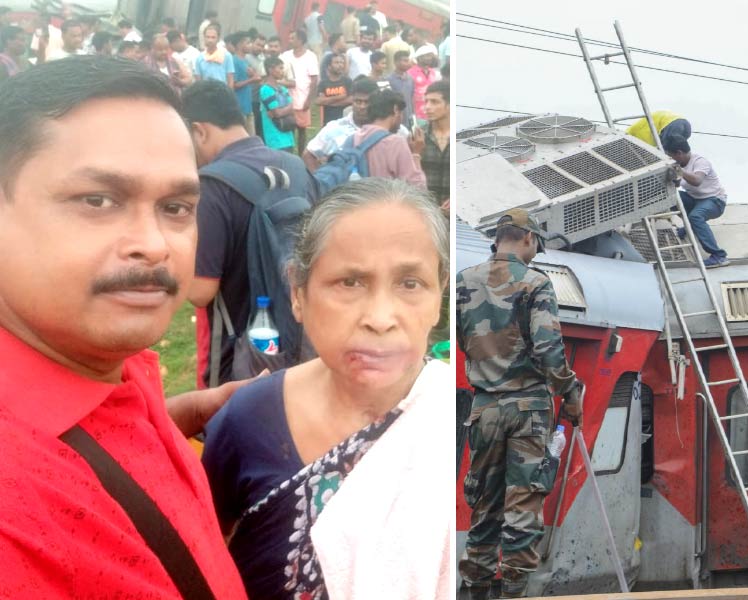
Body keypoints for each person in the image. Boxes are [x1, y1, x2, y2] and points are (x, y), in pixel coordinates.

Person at [0, 54, 248, 599]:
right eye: (98, 200)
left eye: (177, 207)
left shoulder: (109, 365)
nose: (155, 243)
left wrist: (160, 428)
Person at [202, 178, 452, 600]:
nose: (380, 317)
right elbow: (204, 559)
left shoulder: (456, 420)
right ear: (298, 291)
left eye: (410, 284)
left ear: (439, 297)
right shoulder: (248, 421)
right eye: (350, 283)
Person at [457, 209, 583, 600]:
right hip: (528, 408)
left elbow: (463, 341)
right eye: (536, 245)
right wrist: (570, 392)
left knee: (485, 508)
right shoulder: (535, 283)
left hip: (483, 409)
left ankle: (474, 591)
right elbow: (548, 349)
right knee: (523, 510)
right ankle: (513, 594)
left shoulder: (463, 280)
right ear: (528, 238)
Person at [184, 80, 314, 385]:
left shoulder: (212, 185)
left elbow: (200, 292)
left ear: (199, 130)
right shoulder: (295, 167)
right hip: (303, 336)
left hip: (239, 351)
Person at [664, 134, 729, 268]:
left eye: (671, 156)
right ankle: (691, 227)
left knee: (696, 216)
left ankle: (719, 256)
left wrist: (679, 171)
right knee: (670, 198)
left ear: (679, 153)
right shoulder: (678, 164)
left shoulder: (700, 162)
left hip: (715, 201)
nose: (670, 159)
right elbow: (677, 185)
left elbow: (696, 181)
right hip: (695, 199)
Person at [302, 77, 378, 172]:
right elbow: (309, 154)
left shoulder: (387, 129)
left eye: (367, 102)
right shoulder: (335, 129)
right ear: (352, 101)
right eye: (358, 102)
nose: (362, 107)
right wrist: (319, 182)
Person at [353, 90, 425, 187]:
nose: (401, 119)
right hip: (385, 200)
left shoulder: (353, 138)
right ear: (395, 110)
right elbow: (418, 188)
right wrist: (416, 154)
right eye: (401, 113)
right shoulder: (396, 142)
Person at [412, 80, 450, 210]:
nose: (427, 107)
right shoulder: (418, 136)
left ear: (449, 105)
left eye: (434, 102)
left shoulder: (461, 138)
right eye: (426, 101)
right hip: (426, 212)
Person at [279, 28, 318, 153]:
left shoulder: (310, 56)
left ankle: (301, 154)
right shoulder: (285, 56)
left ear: (300, 40)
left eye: (293, 38)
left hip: (302, 99)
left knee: (302, 129)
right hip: (287, 99)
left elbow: (314, 79)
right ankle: (289, 152)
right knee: (288, 128)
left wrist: (309, 100)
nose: (290, 40)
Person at [259, 57, 296, 152]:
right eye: (280, 68)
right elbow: (278, 113)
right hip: (275, 138)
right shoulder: (266, 89)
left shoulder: (282, 88)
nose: (282, 71)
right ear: (271, 70)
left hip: (288, 135)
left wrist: (281, 111)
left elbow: (291, 107)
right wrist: (286, 109)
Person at [231, 31, 261, 135]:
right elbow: (234, 85)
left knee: (251, 136)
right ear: (240, 44)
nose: (250, 45)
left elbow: (256, 77)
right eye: (248, 43)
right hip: (239, 106)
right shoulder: (234, 61)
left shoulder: (245, 60)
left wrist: (253, 75)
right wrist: (252, 80)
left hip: (248, 106)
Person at [408, 43, 440, 125]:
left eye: (430, 56)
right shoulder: (410, 73)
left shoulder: (433, 72)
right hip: (417, 113)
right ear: (419, 57)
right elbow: (409, 94)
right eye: (427, 56)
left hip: (432, 112)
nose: (430, 58)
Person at [626, 109, 691, 149]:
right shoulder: (635, 132)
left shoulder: (630, 136)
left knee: (666, 151)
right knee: (680, 149)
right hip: (683, 122)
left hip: (670, 124)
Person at [195, 23, 234, 88]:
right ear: (204, 38)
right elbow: (198, 80)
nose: (210, 40)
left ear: (218, 39)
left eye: (213, 37)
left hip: (222, 93)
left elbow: (230, 79)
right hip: (205, 93)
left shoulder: (226, 55)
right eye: (208, 37)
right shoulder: (200, 58)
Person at [317, 53, 352, 125]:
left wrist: (329, 102)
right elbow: (319, 101)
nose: (340, 65)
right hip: (328, 121)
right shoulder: (323, 83)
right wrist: (339, 97)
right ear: (329, 66)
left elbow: (351, 99)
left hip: (345, 120)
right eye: (337, 63)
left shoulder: (347, 81)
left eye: (342, 63)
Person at [388, 49, 414, 127]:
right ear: (396, 62)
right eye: (405, 61)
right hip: (396, 120)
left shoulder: (410, 79)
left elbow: (411, 98)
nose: (408, 63)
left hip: (409, 119)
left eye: (408, 61)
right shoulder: (389, 80)